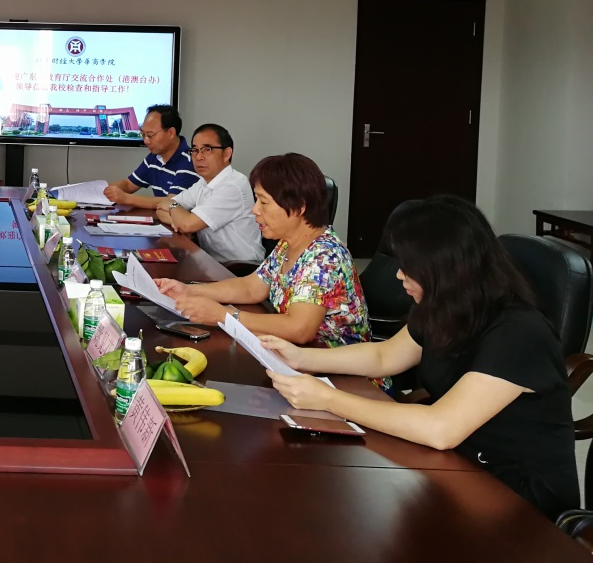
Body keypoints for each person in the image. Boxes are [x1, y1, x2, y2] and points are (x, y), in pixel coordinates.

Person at [263, 196, 578, 520]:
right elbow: (385, 356)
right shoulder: (447, 304)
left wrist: (328, 399)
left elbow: (440, 429)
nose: (400, 275)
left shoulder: (518, 332)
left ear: (443, 266)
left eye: (409, 267)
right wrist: (301, 358)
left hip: (518, 502)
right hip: (458, 466)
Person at [154, 152, 371, 347]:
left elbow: (300, 329)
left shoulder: (324, 257)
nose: (255, 210)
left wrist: (223, 315)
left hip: (334, 369)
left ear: (299, 207)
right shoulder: (288, 243)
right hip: (294, 354)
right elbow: (251, 287)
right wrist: (188, 290)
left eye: (263, 202)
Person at [153, 124, 264, 265]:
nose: (198, 157)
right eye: (194, 150)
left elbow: (186, 223)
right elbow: (161, 209)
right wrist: (178, 221)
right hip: (211, 262)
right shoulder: (203, 182)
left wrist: (173, 207)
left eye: (207, 150)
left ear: (227, 154)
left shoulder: (233, 186)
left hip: (241, 267)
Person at [103, 104, 199, 208]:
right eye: (143, 135)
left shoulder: (190, 161)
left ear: (171, 133)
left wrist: (126, 198)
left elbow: (171, 203)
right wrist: (101, 191)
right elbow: (128, 184)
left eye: (150, 135)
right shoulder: (154, 157)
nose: (146, 141)